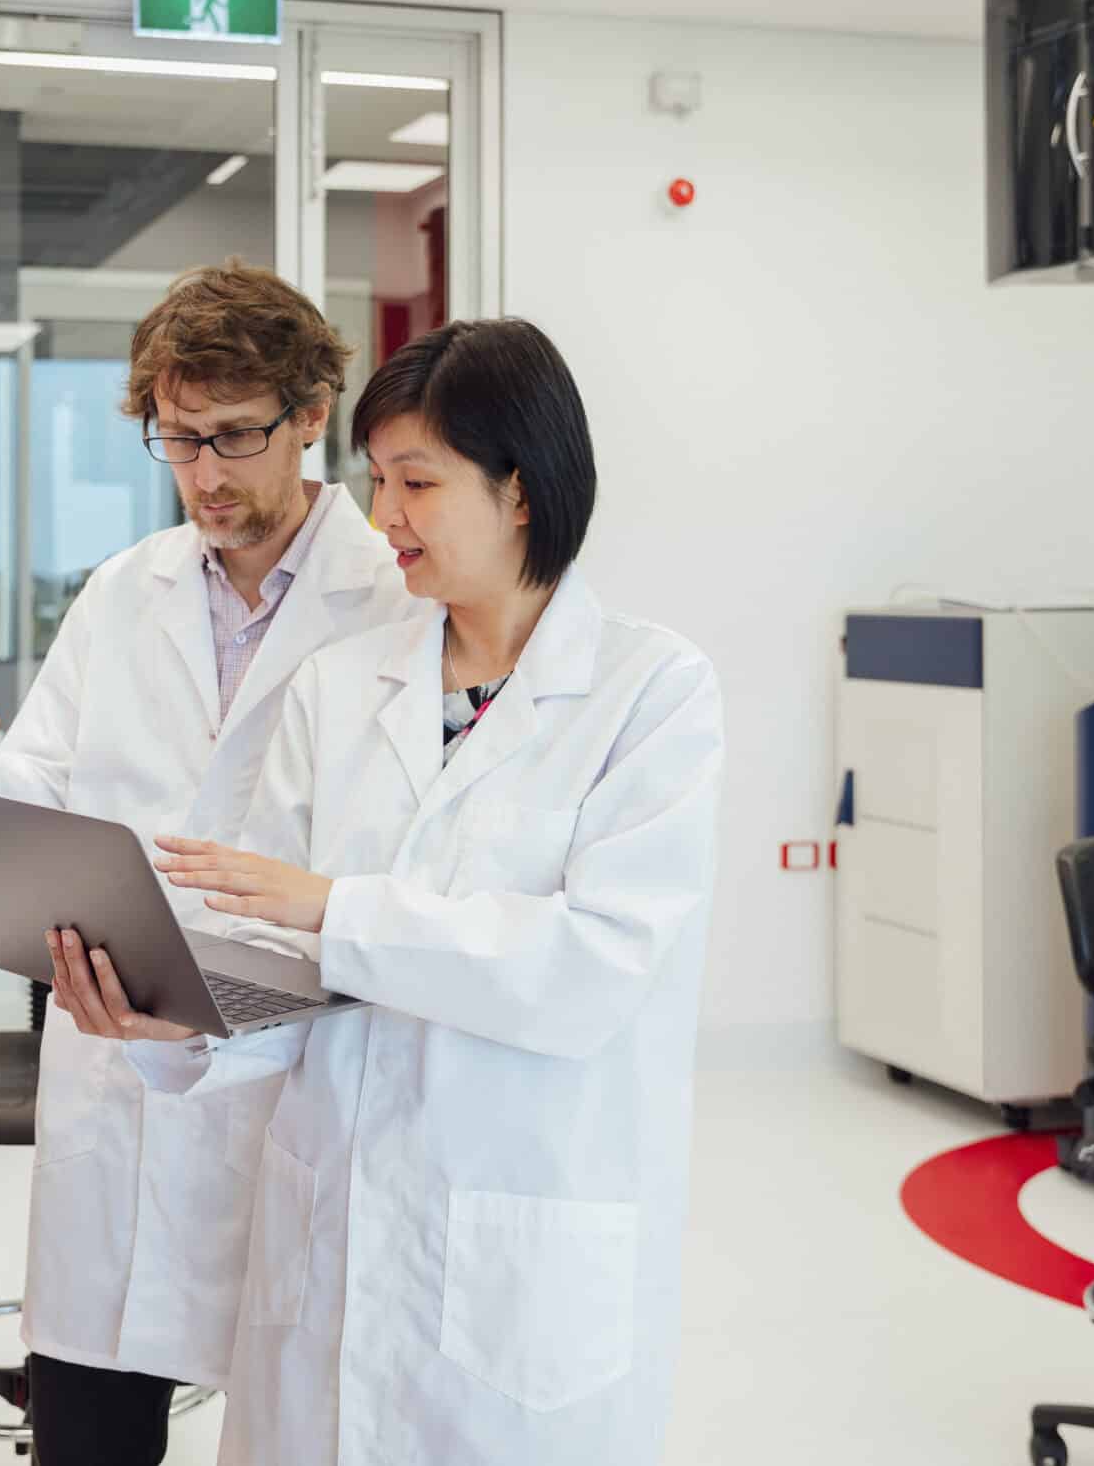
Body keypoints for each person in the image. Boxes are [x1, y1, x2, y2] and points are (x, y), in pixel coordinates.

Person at [54, 317, 724, 1465]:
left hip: (521, 1232)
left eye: (417, 482)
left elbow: (589, 975)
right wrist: (172, 1022)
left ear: (520, 491)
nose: (383, 520)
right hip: (333, 1228)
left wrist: (337, 909)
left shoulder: (648, 693)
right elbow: (268, 967)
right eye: (377, 481)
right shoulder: (338, 686)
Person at [0, 262, 414, 1464]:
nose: (201, 475)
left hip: (296, 1068)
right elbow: (41, 806)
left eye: (234, 438)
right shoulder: (119, 594)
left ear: (311, 417)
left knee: (298, 1414)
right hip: (110, 1057)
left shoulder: (394, 601)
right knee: (89, 1418)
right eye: (175, 440)